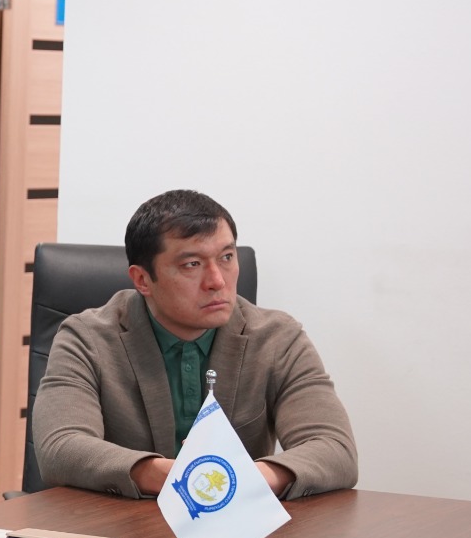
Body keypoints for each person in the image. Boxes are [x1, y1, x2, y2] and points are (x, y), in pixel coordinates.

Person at [31, 189, 357, 498]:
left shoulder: (278, 338)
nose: (217, 281)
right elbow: (61, 447)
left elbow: (335, 450)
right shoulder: (86, 338)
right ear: (143, 279)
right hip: (117, 525)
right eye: (192, 264)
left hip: (232, 527)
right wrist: (175, 475)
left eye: (226, 257)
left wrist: (247, 477)